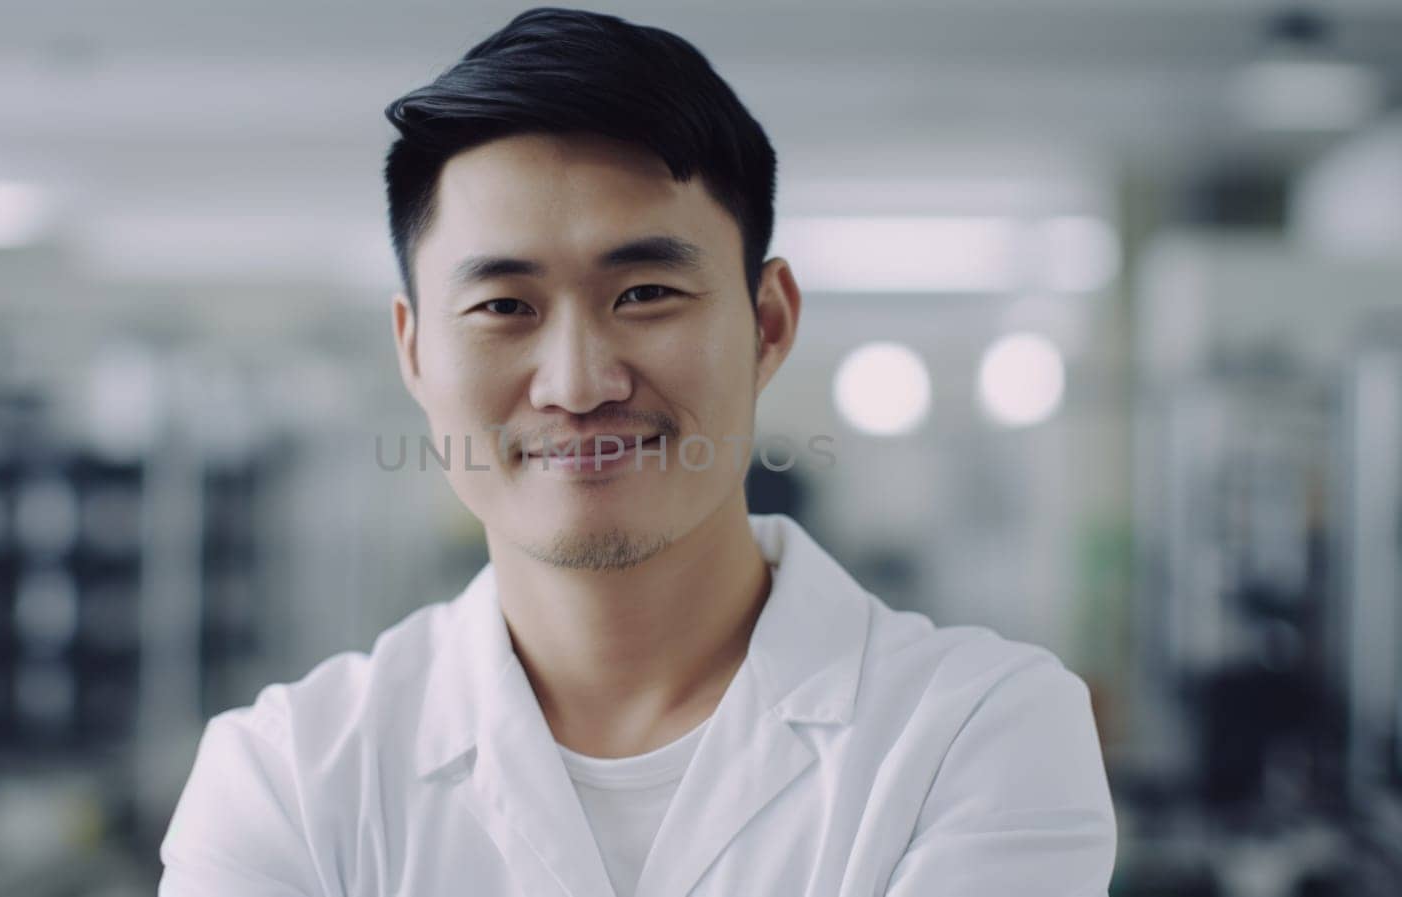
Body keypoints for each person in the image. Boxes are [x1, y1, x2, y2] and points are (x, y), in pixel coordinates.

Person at [158, 8, 1117, 896]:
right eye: (504, 307)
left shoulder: (977, 733)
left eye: (646, 293)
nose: (576, 384)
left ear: (769, 321)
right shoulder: (285, 774)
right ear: (413, 349)